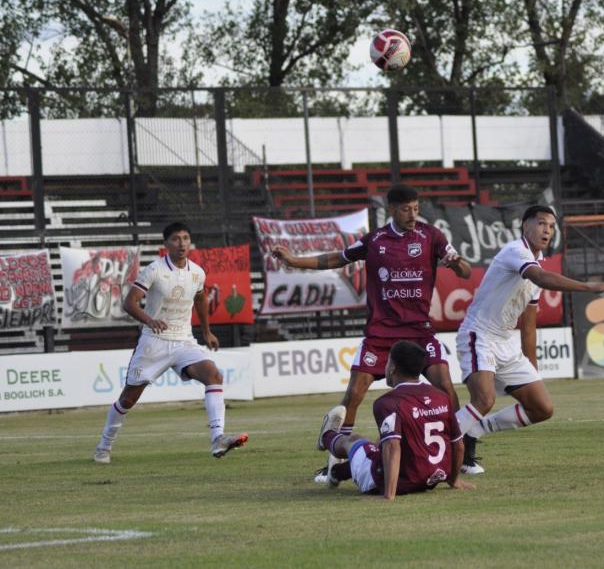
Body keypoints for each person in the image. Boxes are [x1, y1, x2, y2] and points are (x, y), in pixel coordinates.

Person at [271, 184, 472, 482]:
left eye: (416, 208)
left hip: (419, 332)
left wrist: (457, 265)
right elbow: (337, 258)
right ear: (390, 209)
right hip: (381, 334)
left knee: (447, 390)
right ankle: (335, 461)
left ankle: (461, 457)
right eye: (406, 209)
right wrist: (294, 261)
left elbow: (465, 271)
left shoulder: (431, 236)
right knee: (354, 394)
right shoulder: (376, 240)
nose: (412, 215)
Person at [453, 205, 604, 472]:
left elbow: (528, 325)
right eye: (542, 224)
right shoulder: (515, 252)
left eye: (552, 227)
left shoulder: (538, 264)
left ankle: (474, 432)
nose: (547, 230)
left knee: (542, 408)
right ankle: (435, 449)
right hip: (479, 334)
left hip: (506, 342)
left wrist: (531, 368)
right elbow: (541, 278)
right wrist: (590, 287)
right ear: (526, 226)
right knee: (484, 399)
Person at [93, 222, 248, 463]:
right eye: (176, 239)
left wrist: (206, 332)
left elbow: (200, 299)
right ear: (166, 244)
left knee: (214, 375)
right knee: (128, 399)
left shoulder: (197, 272)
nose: (182, 243)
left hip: (183, 340)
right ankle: (104, 445)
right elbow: (129, 303)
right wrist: (150, 320)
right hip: (154, 342)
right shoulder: (154, 270)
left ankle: (217, 438)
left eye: (186, 238)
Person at [316, 340, 474, 499]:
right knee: (377, 447)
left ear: (392, 368)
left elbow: (392, 446)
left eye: (388, 361)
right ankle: (337, 472)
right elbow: (458, 444)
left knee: (355, 442)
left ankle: (326, 436)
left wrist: (389, 493)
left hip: (389, 481)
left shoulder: (387, 402)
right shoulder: (441, 397)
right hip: (431, 479)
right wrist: (454, 481)